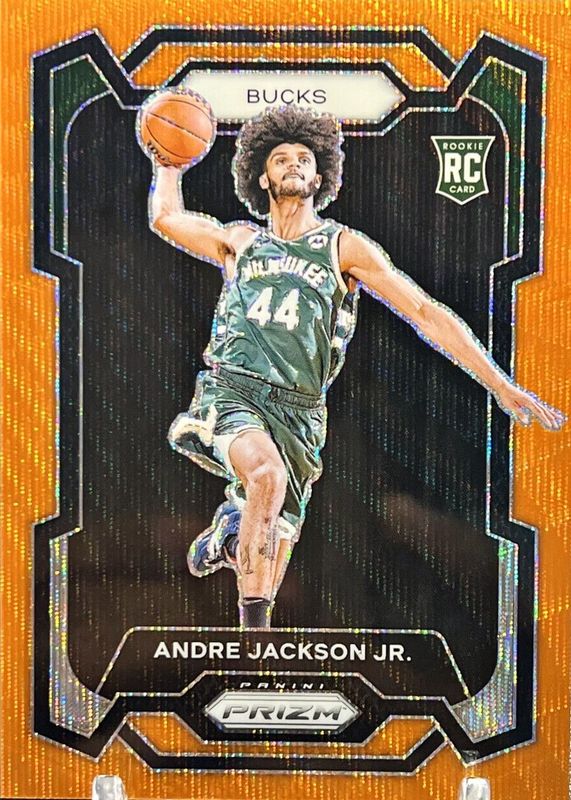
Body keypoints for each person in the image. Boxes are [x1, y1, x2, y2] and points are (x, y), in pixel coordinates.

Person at [147, 104, 564, 630]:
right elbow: (167, 219)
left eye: (304, 158)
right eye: (281, 158)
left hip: (300, 411)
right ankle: (254, 647)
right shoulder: (241, 241)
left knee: (273, 542)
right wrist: (168, 165)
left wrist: (499, 383)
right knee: (267, 477)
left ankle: (232, 535)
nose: (293, 164)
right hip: (235, 390)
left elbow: (425, 312)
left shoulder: (344, 247)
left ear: (320, 177)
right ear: (262, 177)